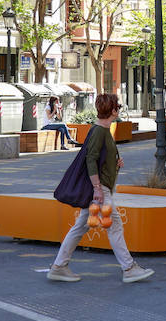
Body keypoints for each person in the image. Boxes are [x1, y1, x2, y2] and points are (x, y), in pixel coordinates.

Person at [47, 93, 154, 284]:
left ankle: (59, 266)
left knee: (81, 226)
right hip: (100, 190)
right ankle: (129, 268)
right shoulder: (99, 131)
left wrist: (114, 162)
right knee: (114, 226)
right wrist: (97, 188)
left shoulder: (103, 130)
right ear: (113, 111)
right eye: (118, 107)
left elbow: (99, 157)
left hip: (101, 189)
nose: (119, 110)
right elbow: (91, 159)